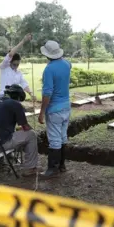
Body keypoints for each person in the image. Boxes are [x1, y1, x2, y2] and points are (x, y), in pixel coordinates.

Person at [0, 84, 39, 177]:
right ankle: (30, 168)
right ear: (19, 97)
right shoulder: (15, 104)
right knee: (31, 135)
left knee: (0, 133)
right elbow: (26, 127)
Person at [38, 40, 72, 179]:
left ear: (47, 55)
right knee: (63, 137)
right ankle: (62, 165)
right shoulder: (67, 64)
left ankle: (52, 169)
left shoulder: (49, 69)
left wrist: (41, 112)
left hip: (54, 109)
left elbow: (47, 93)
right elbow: (67, 64)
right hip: (66, 107)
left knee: (54, 140)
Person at [0, 34, 36, 101]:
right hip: (3, 97)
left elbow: (24, 84)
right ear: (10, 62)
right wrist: (23, 41)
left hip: (15, 98)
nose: (16, 66)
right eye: (14, 64)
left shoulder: (19, 73)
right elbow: (11, 54)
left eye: (17, 65)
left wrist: (31, 93)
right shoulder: (4, 67)